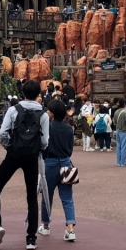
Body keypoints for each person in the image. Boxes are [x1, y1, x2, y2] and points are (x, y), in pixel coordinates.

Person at [0, 80, 49, 250]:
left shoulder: (13, 110)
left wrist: (10, 146)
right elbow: (45, 141)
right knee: (31, 196)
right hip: (32, 157)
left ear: (23, 93)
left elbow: (2, 133)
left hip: (14, 154)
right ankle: (31, 238)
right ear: (38, 94)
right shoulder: (43, 114)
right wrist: (37, 148)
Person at [38, 98, 77, 242]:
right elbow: (70, 149)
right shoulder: (68, 127)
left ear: (53, 113)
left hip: (50, 163)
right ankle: (70, 228)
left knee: (47, 196)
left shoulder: (47, 127)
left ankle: (46, 225)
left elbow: (42, 147)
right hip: (66, 162)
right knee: (67, 198)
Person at [113, 99, 126, 166]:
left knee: (119, 146)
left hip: (118, 130)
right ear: (124, 104)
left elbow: (114, 121)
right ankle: (124, 162)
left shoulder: (116, 112)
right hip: (124, 130)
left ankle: (119, 161)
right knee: (124, 146)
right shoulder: (125, 112)